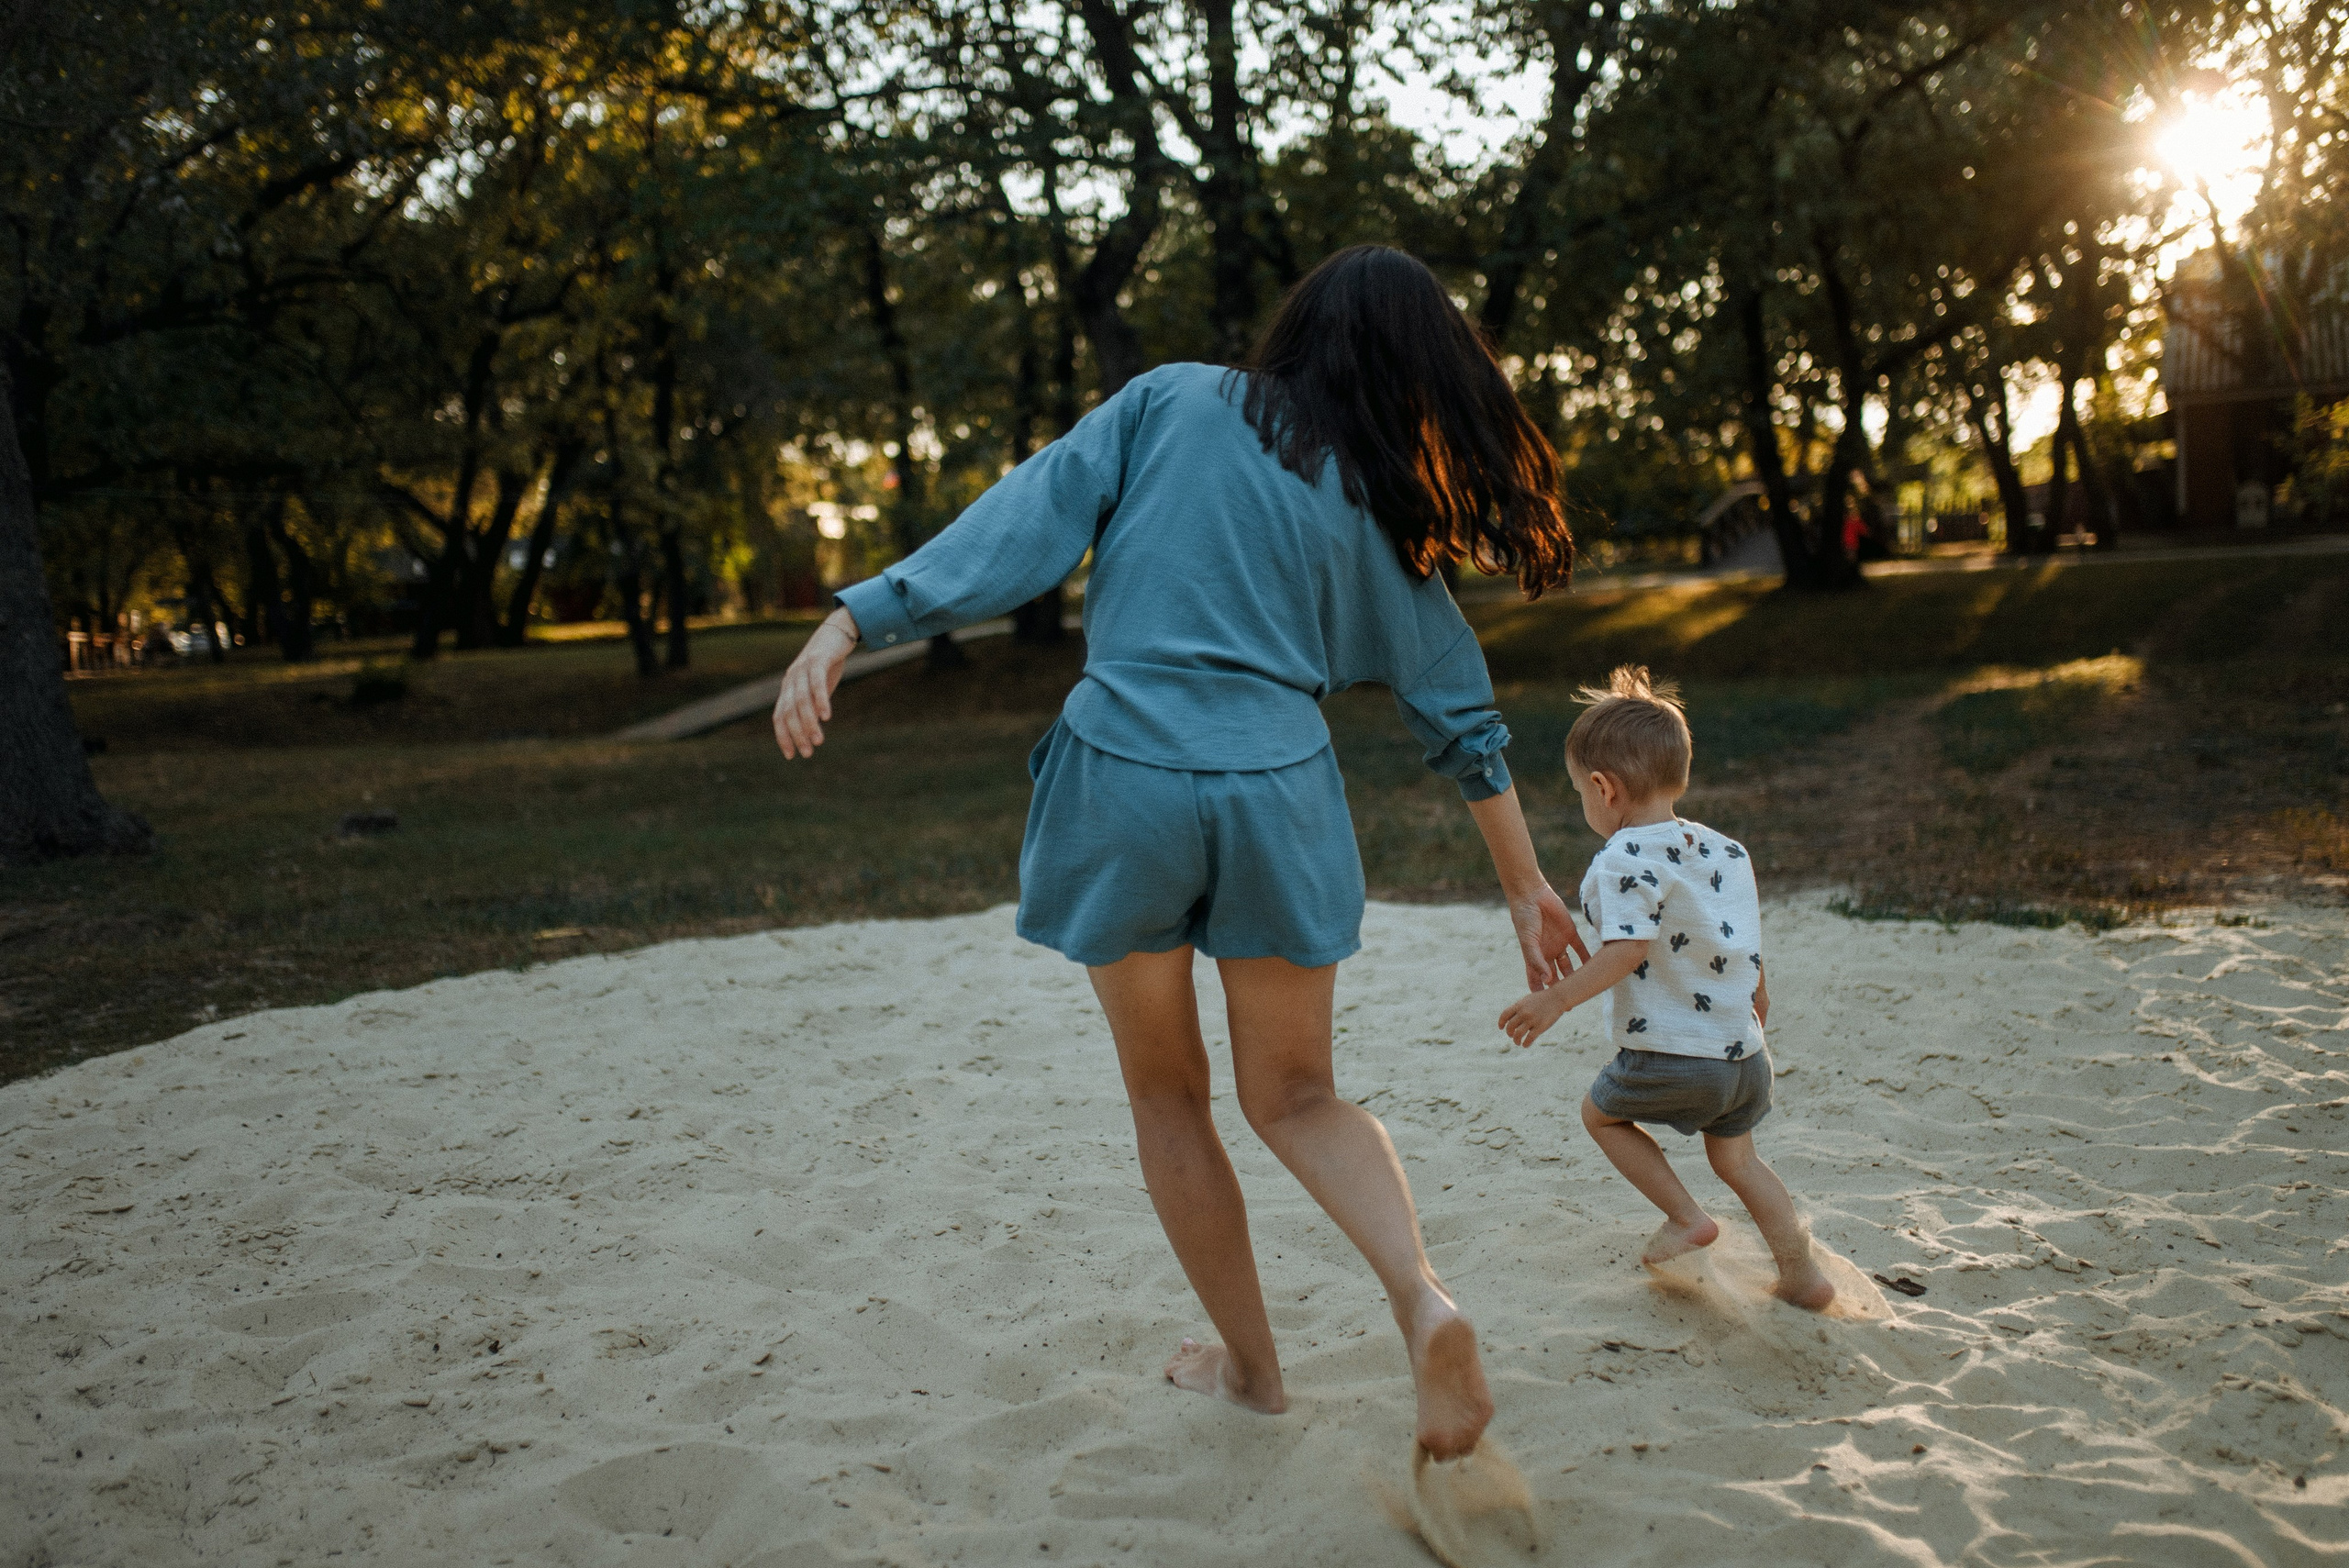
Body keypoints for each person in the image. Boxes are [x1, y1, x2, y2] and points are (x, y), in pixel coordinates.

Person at [771, 244, 1582, 1459]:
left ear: (1299, 324)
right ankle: (1423, 1301)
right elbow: (1456, 713)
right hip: (1278, 792)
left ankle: (1253, 1373)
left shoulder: (1168, 398)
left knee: (1168, 1094)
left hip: (1127, 775)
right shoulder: (1366, 495)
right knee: (1298, 1097)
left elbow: (1023, 520)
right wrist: (1524, 884)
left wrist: (854, 618)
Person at [1497, 666, 1835, 1311]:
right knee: (1740, 1163)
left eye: (1580, 791)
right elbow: (1740, 932)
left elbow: (1627, 949)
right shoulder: (1727, 851)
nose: (1584, 802)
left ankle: (1686, 1218)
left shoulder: (1623, 859)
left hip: (1672, 1054)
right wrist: (1758, 993)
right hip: (1744, 1056)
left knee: (1600, 1114)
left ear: (1604, 788)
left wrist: (1555, 998)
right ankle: (1801, 1274)